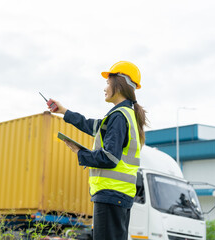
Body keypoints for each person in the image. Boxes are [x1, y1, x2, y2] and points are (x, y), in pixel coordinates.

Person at [49, 61, 148, 240]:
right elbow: (90, 125)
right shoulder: (125, 115)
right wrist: (64, 111)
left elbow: (109, 158)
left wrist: (80, 152)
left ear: (119, 85)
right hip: (118, 195)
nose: (104, 88)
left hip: (111, 194)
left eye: (108, 83)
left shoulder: (118, 117)